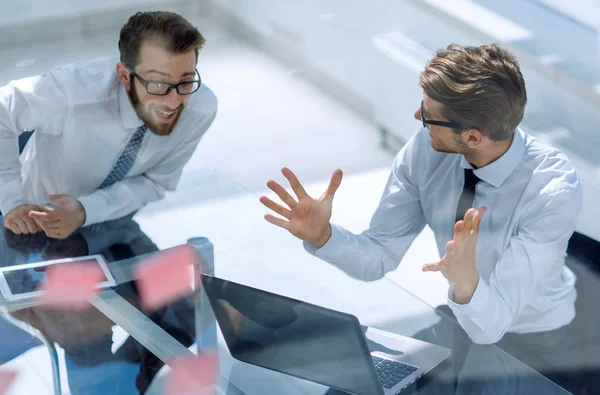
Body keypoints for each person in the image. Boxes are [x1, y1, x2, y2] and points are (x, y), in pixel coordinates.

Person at [260, 43, 582, 364]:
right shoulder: (426, 151)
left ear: (472, 137)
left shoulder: (550, 191)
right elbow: (379, 255)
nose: (417, 117)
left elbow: (494, 323)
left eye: (428, 115)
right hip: (461, 317)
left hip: (537, 343)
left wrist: (466, 281)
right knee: (363, 384)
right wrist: (323, 236)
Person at [0, 11, 217, 239]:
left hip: (113, 223)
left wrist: (85, 211)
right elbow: (3, 108)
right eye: (159, 84)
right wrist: (12, 201)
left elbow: (156, 182)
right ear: (124, 75)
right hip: (35, 219)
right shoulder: (74, 94)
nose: (174, 102)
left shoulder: (200, 109)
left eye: (185, 81)